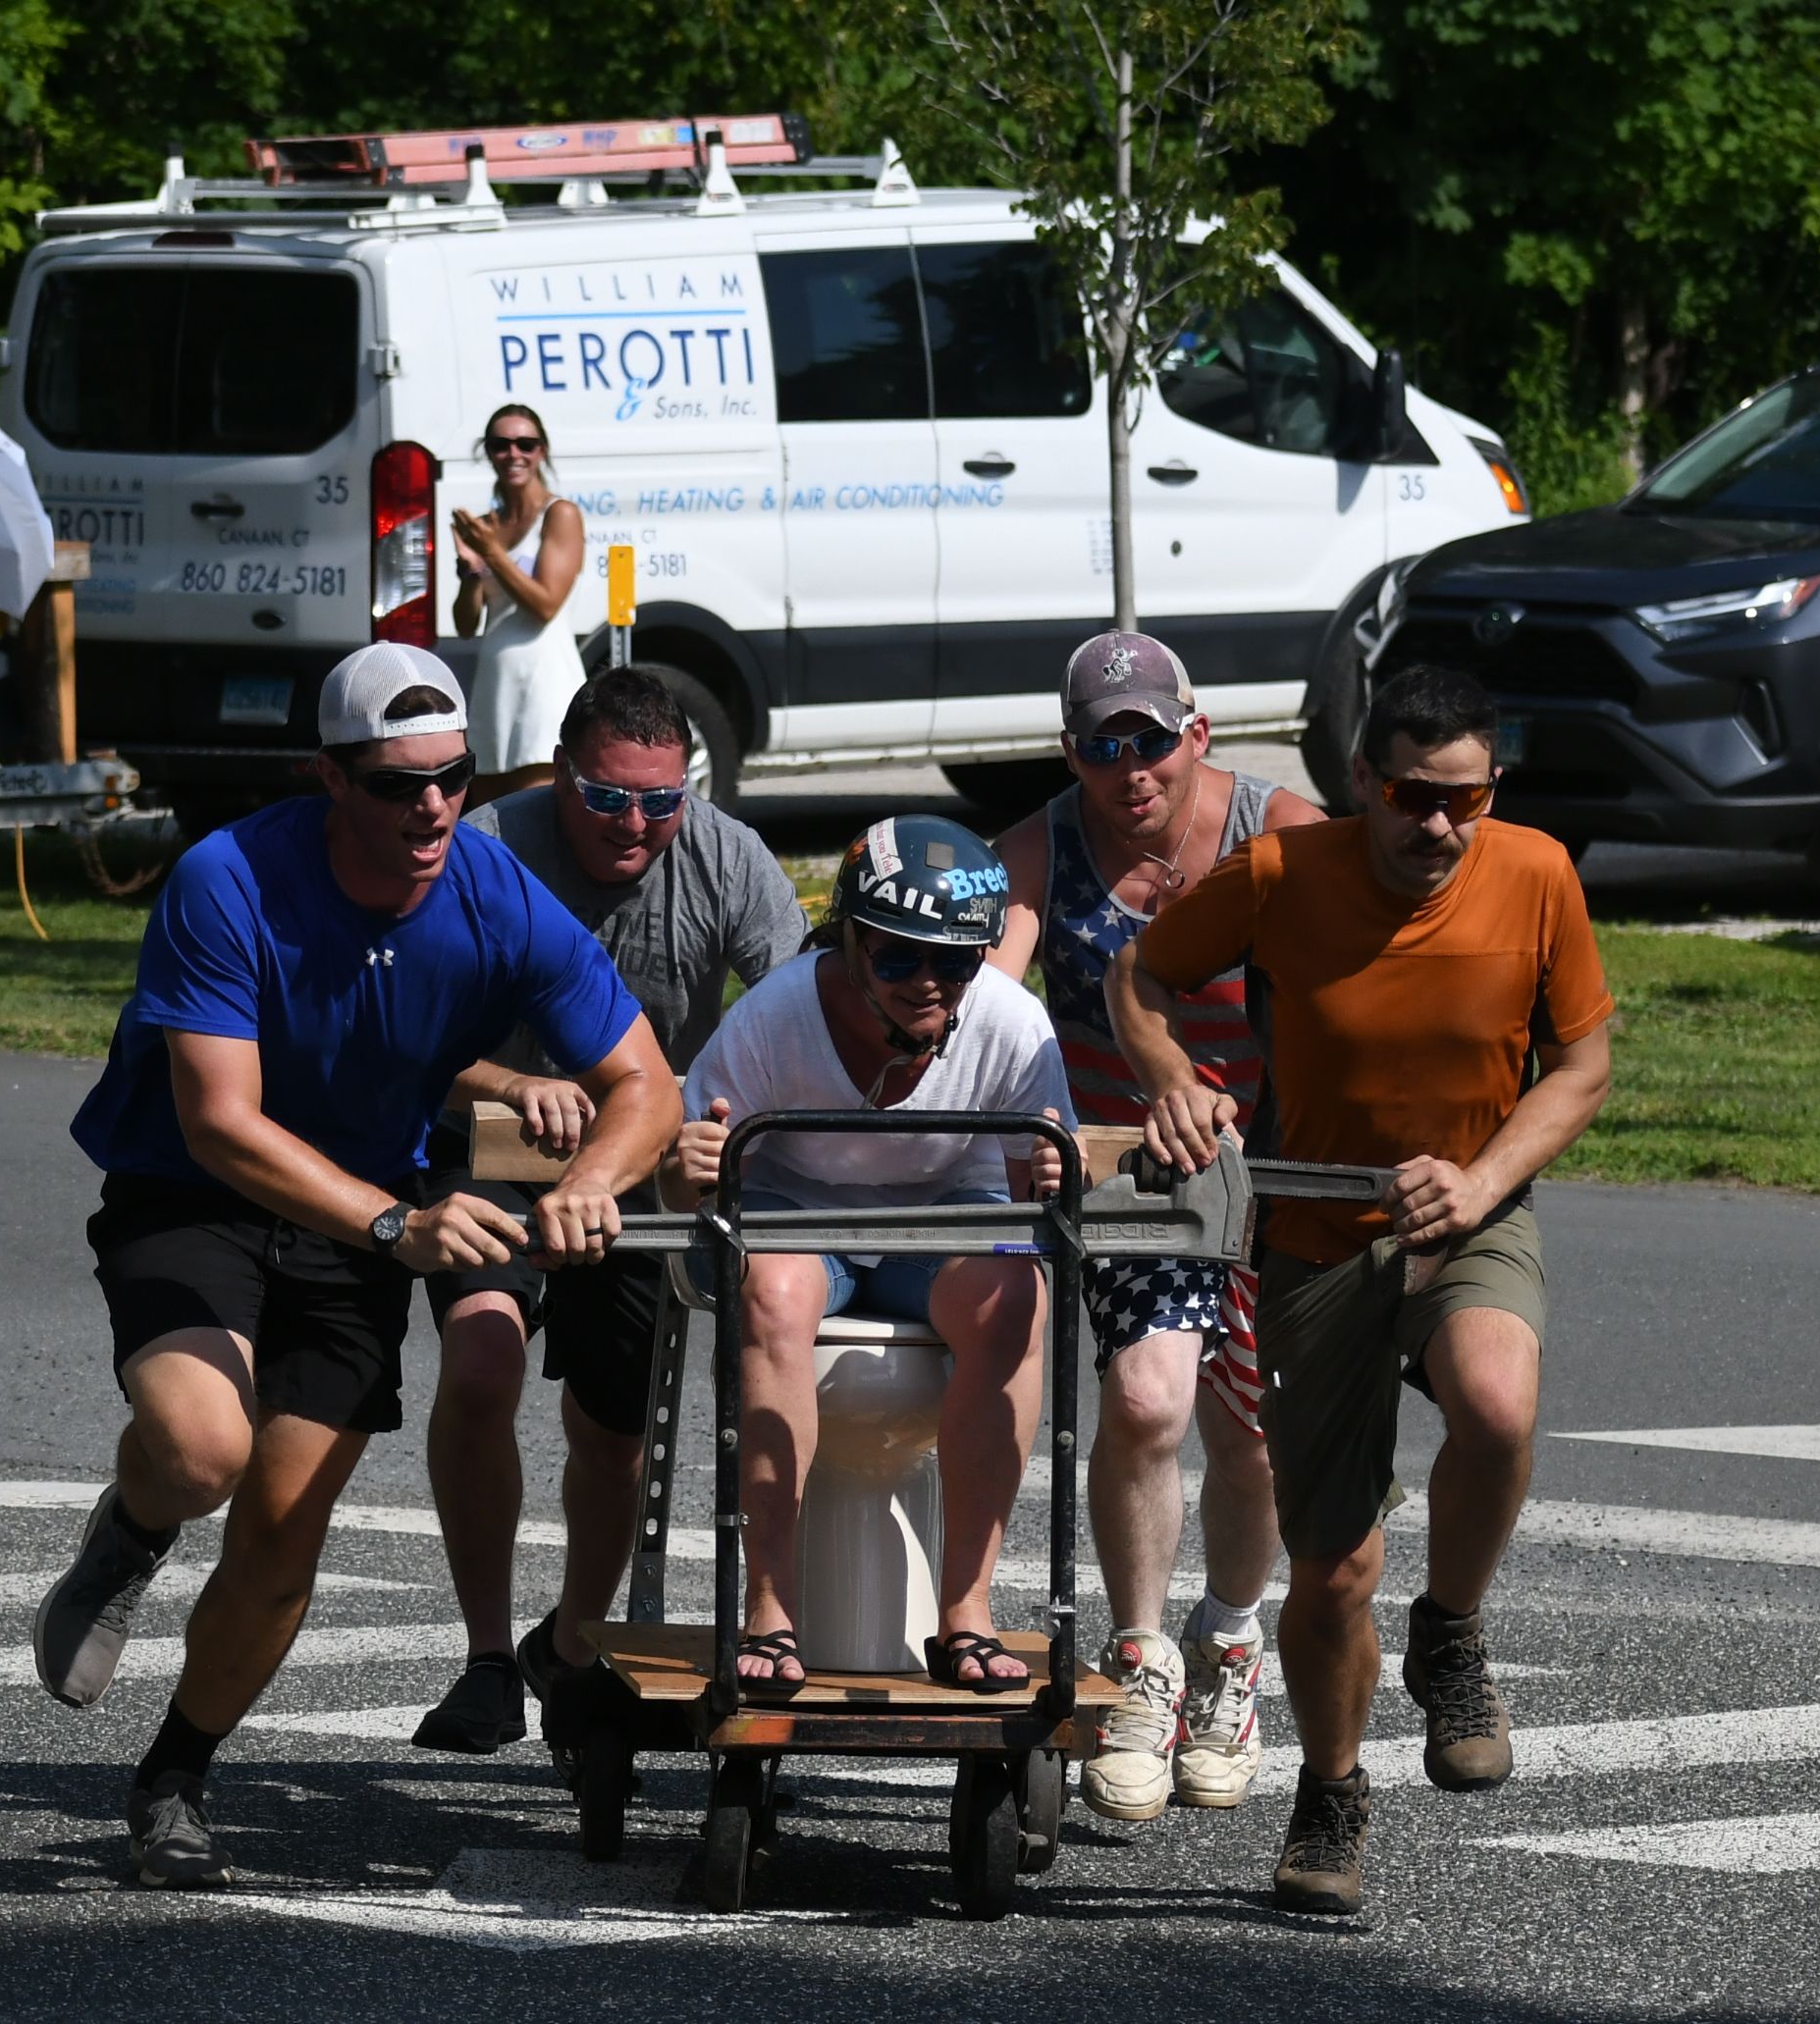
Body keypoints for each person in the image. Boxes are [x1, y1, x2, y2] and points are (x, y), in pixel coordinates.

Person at [31, 642, 677, 1889]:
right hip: (198, 1197)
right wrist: (395, 1224)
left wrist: (594, 1179)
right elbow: (221, 1119)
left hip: (353, 1229)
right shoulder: (229, 879)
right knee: (201, 1450)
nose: (431, 806)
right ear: (327, 776)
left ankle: (175, 1774)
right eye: (396, 783)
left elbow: (640, 1078)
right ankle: (129, 1534)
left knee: (281, 1529)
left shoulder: (492, 891)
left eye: (453, 777)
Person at [1117, 664, 1613, 1916]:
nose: (1439, 825)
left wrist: (1485, 1172)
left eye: (1466, 799)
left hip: (1469, 1215)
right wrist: (1173, 1075)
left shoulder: (1540, 873)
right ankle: (1331, 1792)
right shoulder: (1287, 875)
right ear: (1363, 783)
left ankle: (1449, 1632)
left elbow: (1585, 1064)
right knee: (1332, 1568)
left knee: (1497, 1405)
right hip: (1316, 1235)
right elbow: (1140, 979)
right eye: (1410, 796)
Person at [403, 669, 808, 1755]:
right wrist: (503, 1083)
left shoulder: (726, 857)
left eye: (660, 801)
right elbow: (402, 1029)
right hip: (491, 1151)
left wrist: (730, 1126)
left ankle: (574, 1649)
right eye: (608, 799)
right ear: (561, 777)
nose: (637, 825)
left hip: (641, 1169)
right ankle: (490, 1657)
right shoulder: (482, 849)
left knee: (618, 1434)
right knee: (481, 1364)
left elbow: (804, 1016)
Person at [986, 631, 1322, 1823]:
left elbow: (1360, 973)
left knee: (1260, 1432)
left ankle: (1229, 1642)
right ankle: (1138, 1659)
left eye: (1150, 740)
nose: (1131, 770)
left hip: (1273, 1166)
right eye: (1100, 745)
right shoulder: (1042, 846)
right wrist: (1023, 1117)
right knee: (1143, 1398)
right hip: (1127, 1173)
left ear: (1199, 734)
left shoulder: (1276, 827)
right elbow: (985, 992)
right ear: (1071, 752)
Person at [670, 816, 1069, 1693]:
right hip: (796, 1212)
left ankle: (964, 1611)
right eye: (896, 958)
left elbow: (1038, 1208)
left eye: (956, 962)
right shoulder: (774, 1016)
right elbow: (687, 1198)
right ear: (846, 938)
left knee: (1017, 1296)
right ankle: (770, 1608)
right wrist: (688, 1166)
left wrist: (1047, 1173)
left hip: (941, 1217)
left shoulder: (1009, 1023)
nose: (927, 984)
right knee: (770, 1292)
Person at [448, 403, 585, 795]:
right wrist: (471, 571)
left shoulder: (560, 515)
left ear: (542, 451)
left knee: (539, 814)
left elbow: (546, 605)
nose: (514, 455)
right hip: (495, 686)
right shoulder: (487, 525)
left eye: (526, 444)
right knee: (487, 822)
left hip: (544, 684)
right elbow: (466, 623)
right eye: (501, 445)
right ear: (488, 452)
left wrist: (492, 553)